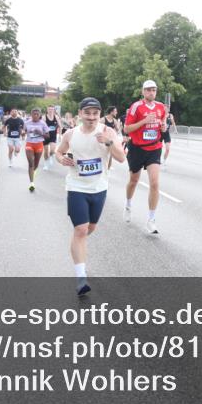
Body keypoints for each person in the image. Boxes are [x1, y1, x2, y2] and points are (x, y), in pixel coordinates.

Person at [56, 97, 125, 296]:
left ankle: (77, 246)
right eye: (87, 113)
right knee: (81, 229)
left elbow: (121, 158)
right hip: (76, 187)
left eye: (95, 113)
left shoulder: (108, 132)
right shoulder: (70, 134)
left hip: (99, 188)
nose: (91, 117)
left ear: (99, 115)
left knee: (89, 229)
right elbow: (59, 153)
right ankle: (81, 278)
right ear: (80, 114)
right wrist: (62, 160)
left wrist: (108, 142)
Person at [122, 80, 168, 234]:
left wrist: (164, 127)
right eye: (148, 90)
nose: (151, 92)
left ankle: (151, 220)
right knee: (134, 181)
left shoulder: (161, 107)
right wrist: (144, 121)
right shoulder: (136, 107)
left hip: (154, 148)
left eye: (154, 90)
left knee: (154, 183)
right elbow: (127, 129)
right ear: (143, 92)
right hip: (137, 149)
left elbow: (162, 125)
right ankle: (128, 205)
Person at [23, 107, 50, 191]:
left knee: (36, 164)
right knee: (31, 163)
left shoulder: (43, 123)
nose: (35, 115)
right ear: (31, 115)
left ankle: (32, 172)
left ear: (40, 115)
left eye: (37, 114)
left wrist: (40, 133)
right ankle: (31, 183)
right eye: (34, 114)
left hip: (39, 145)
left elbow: (48, 136)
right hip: (29, 144)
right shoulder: (27, 123)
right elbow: (23, 132)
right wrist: (23, 133)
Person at [42, 105, 61, 171]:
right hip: (46, 136)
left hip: (53, 136)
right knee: (46, 151)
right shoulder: (44, 117)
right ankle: (46, 164)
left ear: (54, 110)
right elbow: (41, 126)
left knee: (52, 150)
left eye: (52, 109)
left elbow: (60, 126)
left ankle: (51, 156)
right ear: (47, 110)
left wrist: (60, 135)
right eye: (49, 109)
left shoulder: (56, 117)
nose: (50, 110)